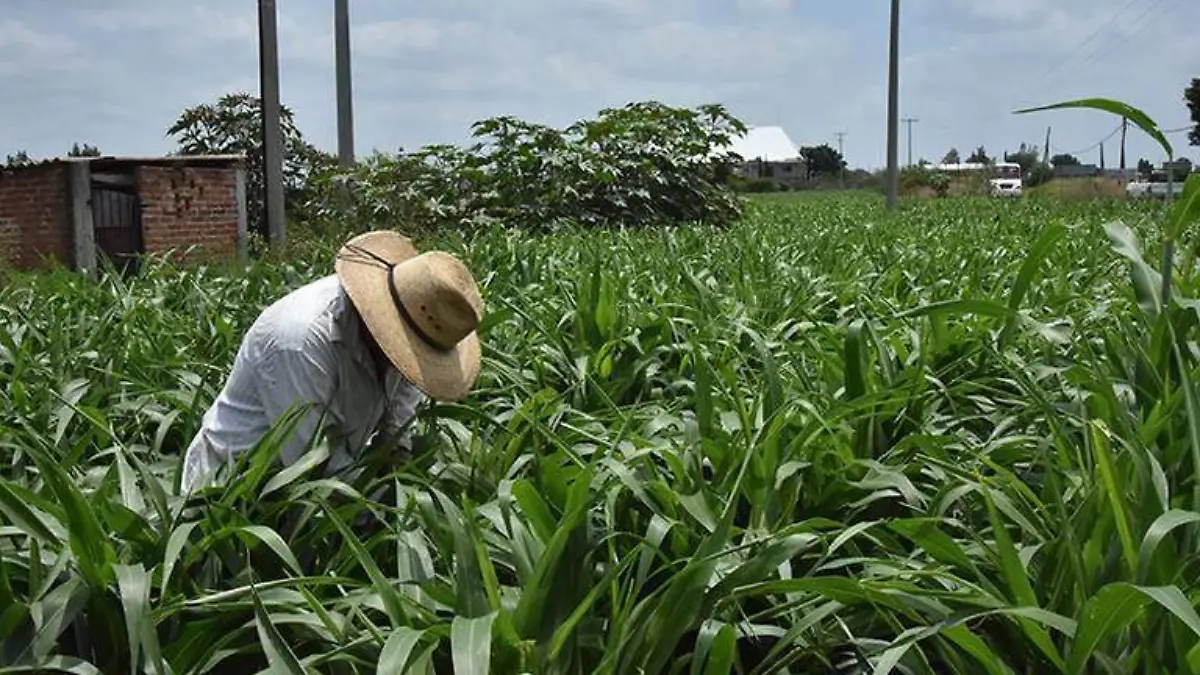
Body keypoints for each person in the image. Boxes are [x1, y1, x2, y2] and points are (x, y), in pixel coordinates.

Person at [179, 229, 485, 495]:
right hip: (237, 495)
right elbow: (312, 468)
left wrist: (399, 473)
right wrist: (379, 513)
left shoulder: (415, 327)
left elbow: (400, 417)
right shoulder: (300, 340)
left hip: (331, 480)